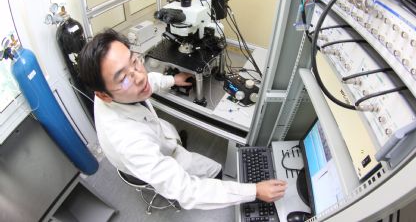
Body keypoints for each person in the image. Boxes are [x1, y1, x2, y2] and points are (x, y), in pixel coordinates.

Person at [78, 28, 287, 210]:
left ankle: (176, 145)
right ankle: (220, 181)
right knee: (214, 169)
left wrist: (172, 79)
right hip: (149, 160)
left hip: (156, 134)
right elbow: (186, 191)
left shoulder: (113, 91)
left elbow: (147, 80)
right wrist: (254, 191)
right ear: (103, 95)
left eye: (134, 61)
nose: (139, 76)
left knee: (170, 132)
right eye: (123, 78)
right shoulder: (129, 141)